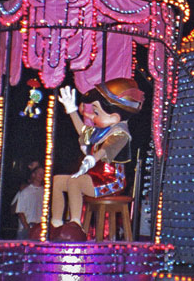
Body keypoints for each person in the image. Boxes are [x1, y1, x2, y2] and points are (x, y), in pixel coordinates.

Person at [50, 78, 143, 234]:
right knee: (58, 181)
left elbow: (106, 150)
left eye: (96, 112)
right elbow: (83, 132)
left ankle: (74, 225)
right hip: (94, 178)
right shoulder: (102, 131)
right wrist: (71, 110)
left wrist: (92, 159)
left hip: (112, 181)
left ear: (114, 117)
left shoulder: (120, 134)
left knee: (76, 182)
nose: (92, 116)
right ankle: (56, 223)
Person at [15, 165, 44, 239]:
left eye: (43, 173)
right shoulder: (25, 191)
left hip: (40, 228)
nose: (41, 175)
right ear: (33, 175)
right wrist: (27, 227)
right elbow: (20, 211)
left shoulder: (44, 192)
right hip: (27, 228)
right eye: (39, 173)